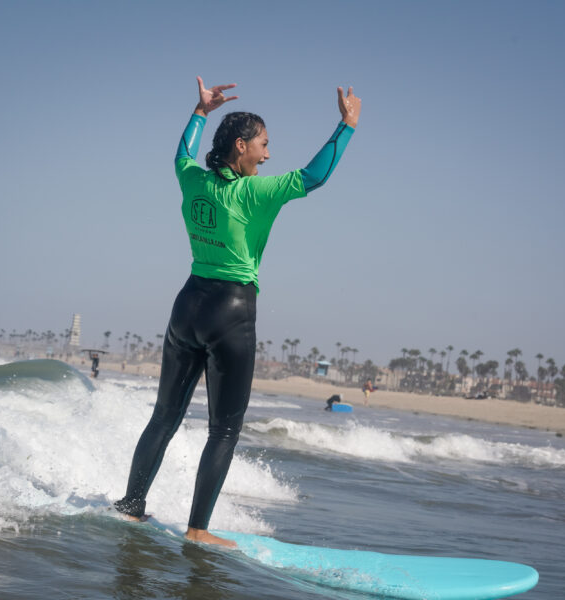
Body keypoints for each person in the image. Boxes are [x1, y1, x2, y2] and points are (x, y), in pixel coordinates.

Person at [114, 76, 361, 547]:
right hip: (231, 310)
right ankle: (198, 529)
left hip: (187, 305)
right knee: (224, 428)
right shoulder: (255, 193)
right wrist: (346, 126)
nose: (268, 156)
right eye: (264, 146)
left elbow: (181, 155)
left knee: (164, 415)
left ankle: (131, 507)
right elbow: (315, 176)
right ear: (242, 146)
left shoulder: (193, 180)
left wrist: (200, 112)